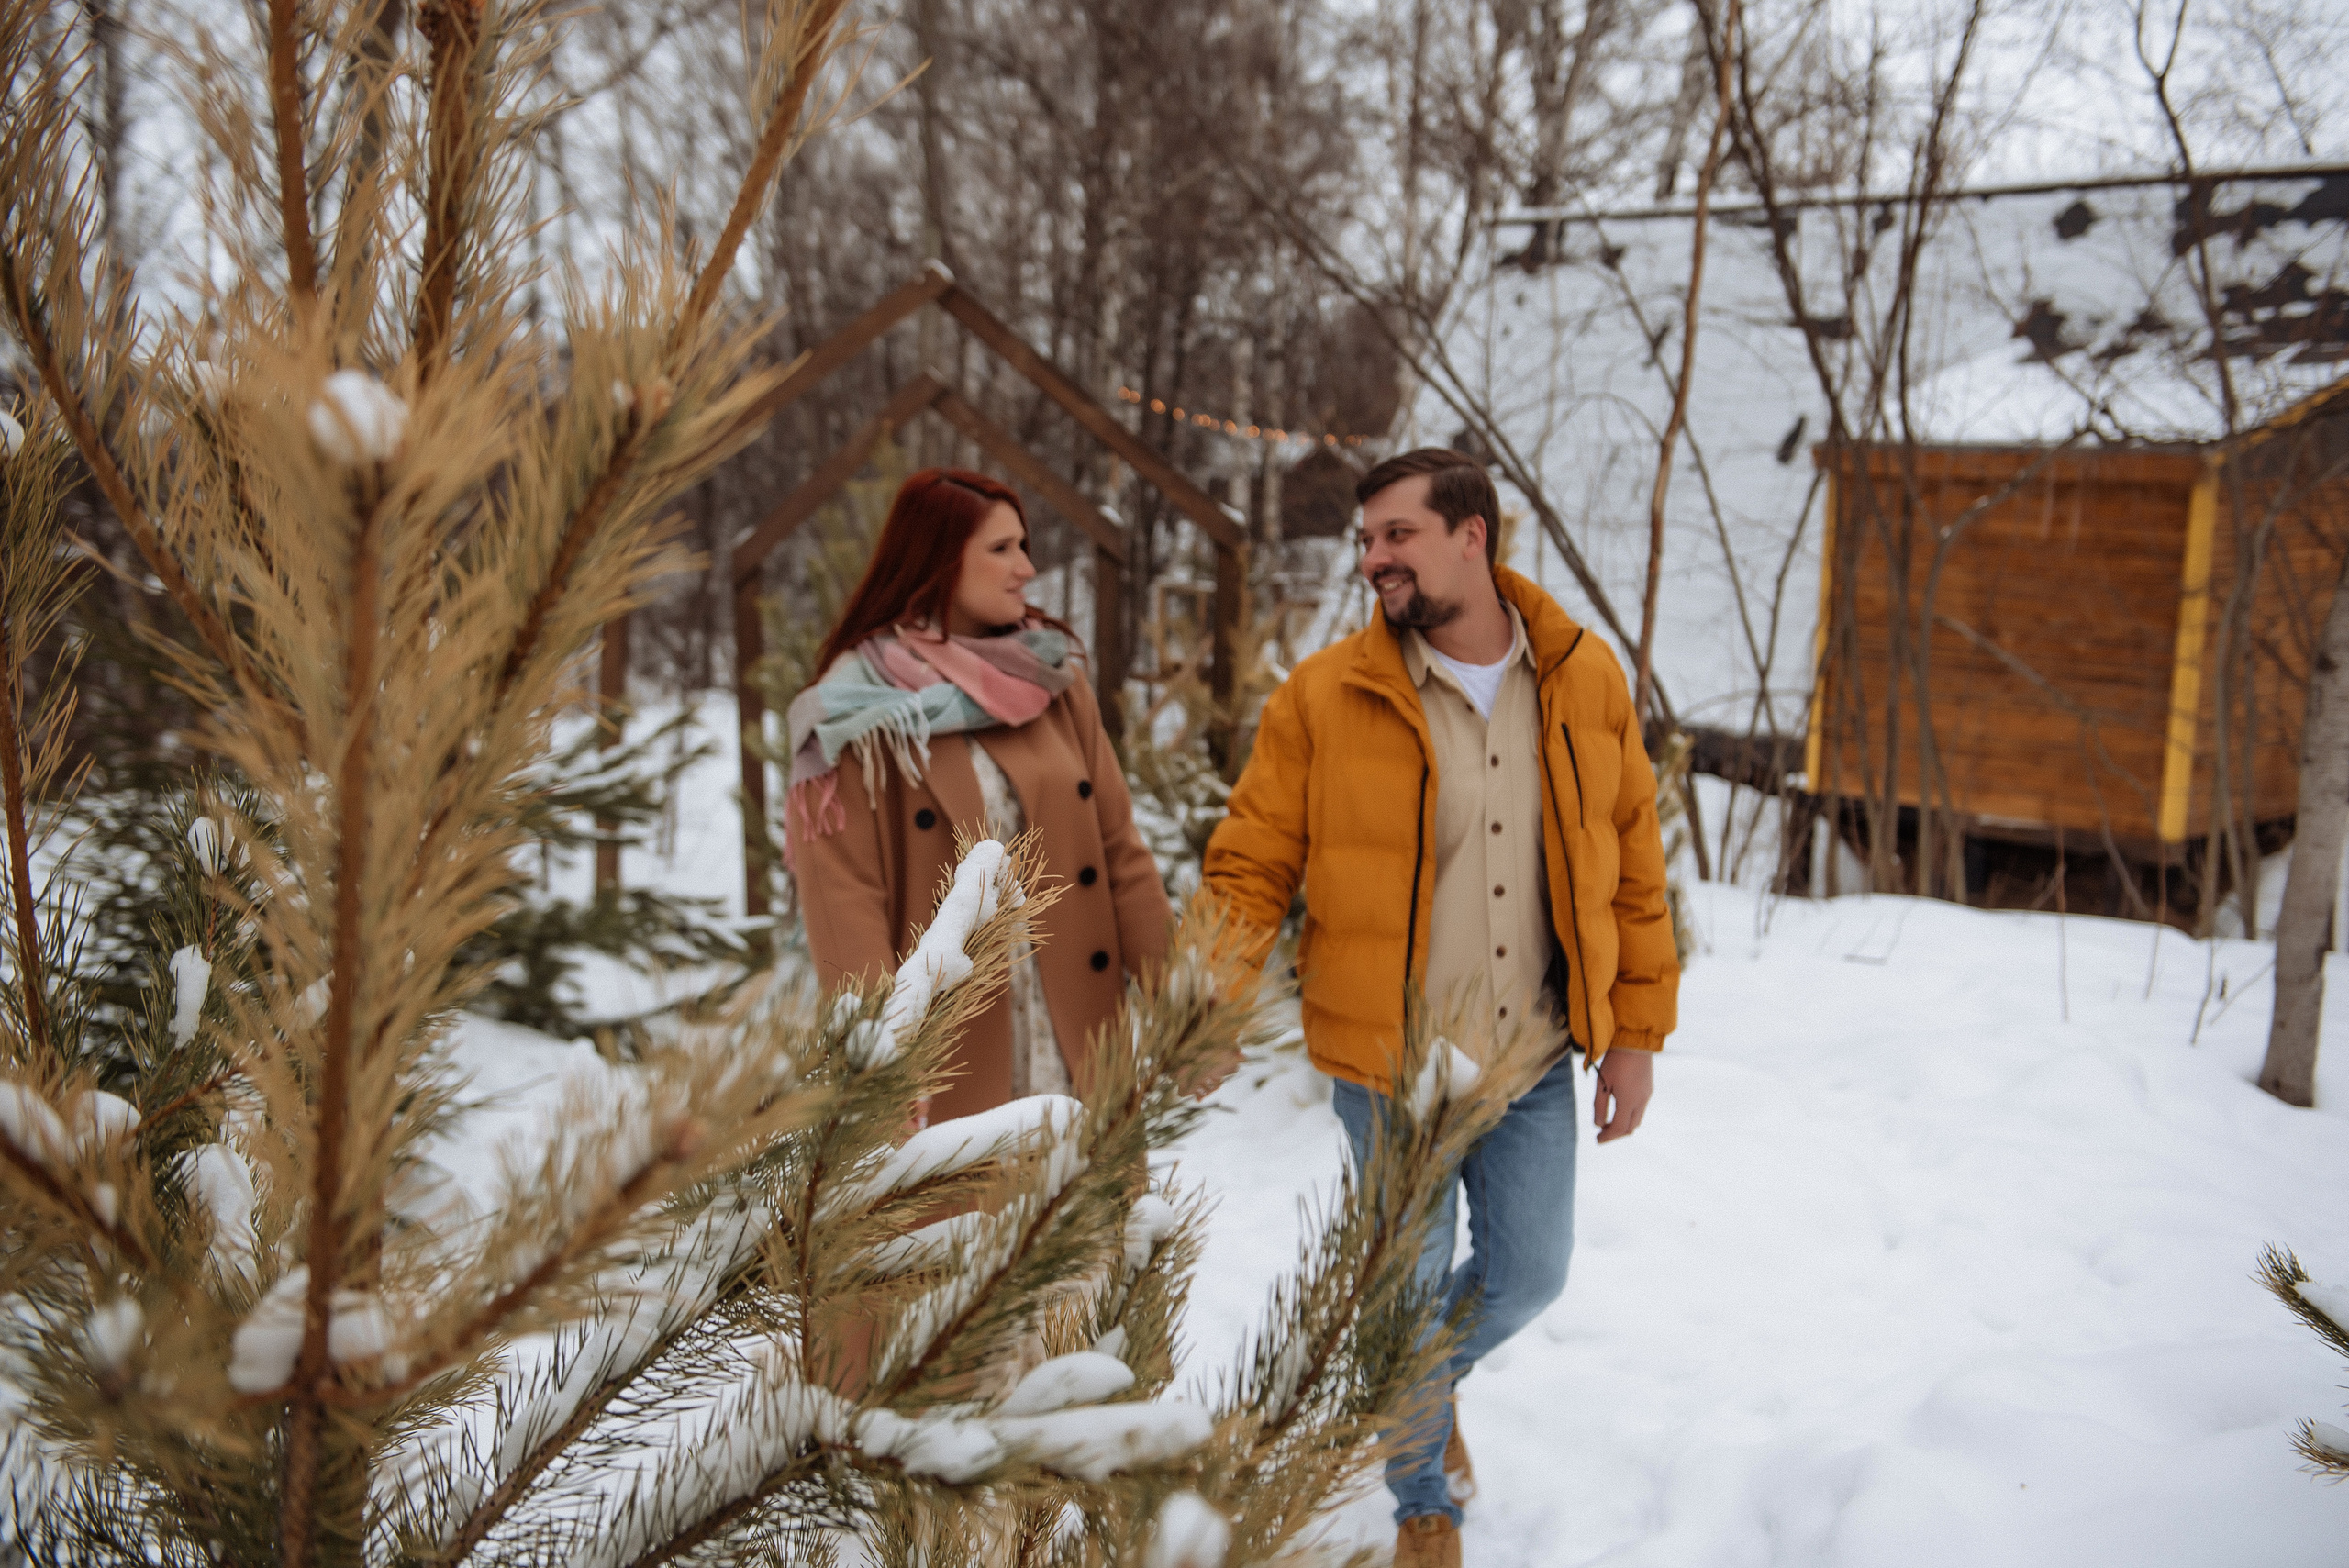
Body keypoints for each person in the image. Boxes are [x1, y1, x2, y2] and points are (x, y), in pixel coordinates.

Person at [1201, 449, 1678, 1568]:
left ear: (1473, 535)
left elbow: (1631, 870)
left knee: (1530, 1270)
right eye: (1366, 540)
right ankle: (1423, 1494)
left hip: (1532, 1055)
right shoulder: (1326, 695)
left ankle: (1422, 1380)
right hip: (1390, 1062)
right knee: (1401, 1288)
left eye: (1395, 536)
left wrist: (1637, 1037)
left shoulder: (1582, 677)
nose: (1373, 559)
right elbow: (1249, 866)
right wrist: (1209, 1001)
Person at [785, 468, 1172, 1121]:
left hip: (1079, 1040)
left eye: (1024, 545)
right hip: (949, 1062)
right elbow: (845, 902)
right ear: (938, 559)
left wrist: (1183, 1003)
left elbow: (1118, 852)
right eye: (1001, 549)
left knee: (1084, 1214)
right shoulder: (857, 709)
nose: (1026, 567)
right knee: (966, 1224)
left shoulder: (1050, 681)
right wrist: (882, 1067)